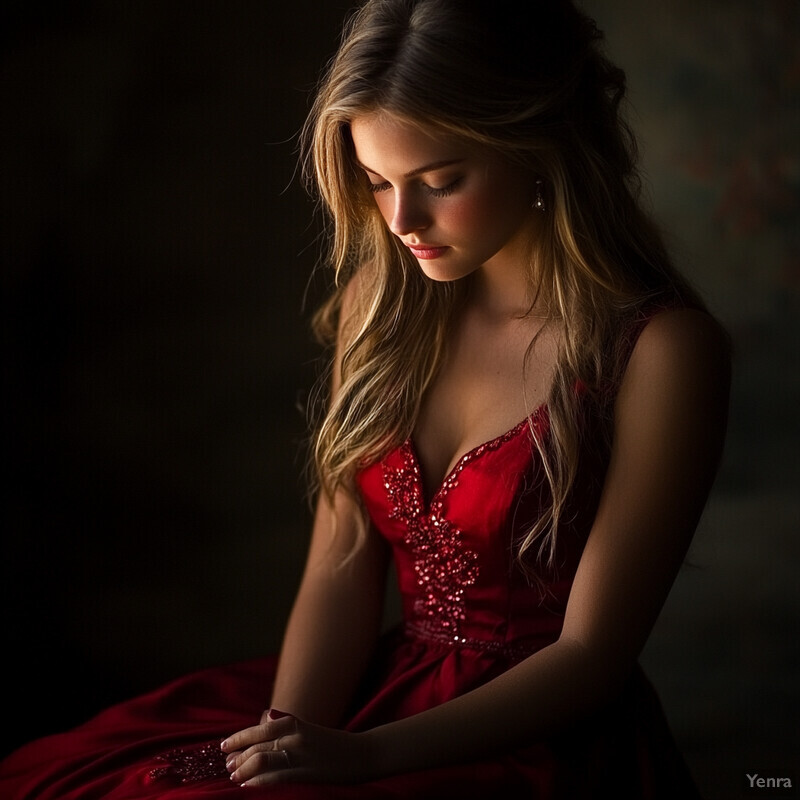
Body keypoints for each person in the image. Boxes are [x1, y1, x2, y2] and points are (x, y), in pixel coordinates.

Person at [0, 0, 730, 797]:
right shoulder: (378, 311)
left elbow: (592, 656)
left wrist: (365, 758)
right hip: (365, 699)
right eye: (377, 183)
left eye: (441, 181)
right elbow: (339, 569)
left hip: (535, 737)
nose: (403, 221)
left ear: (539, 149)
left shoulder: (658, 350)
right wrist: (283, 744)